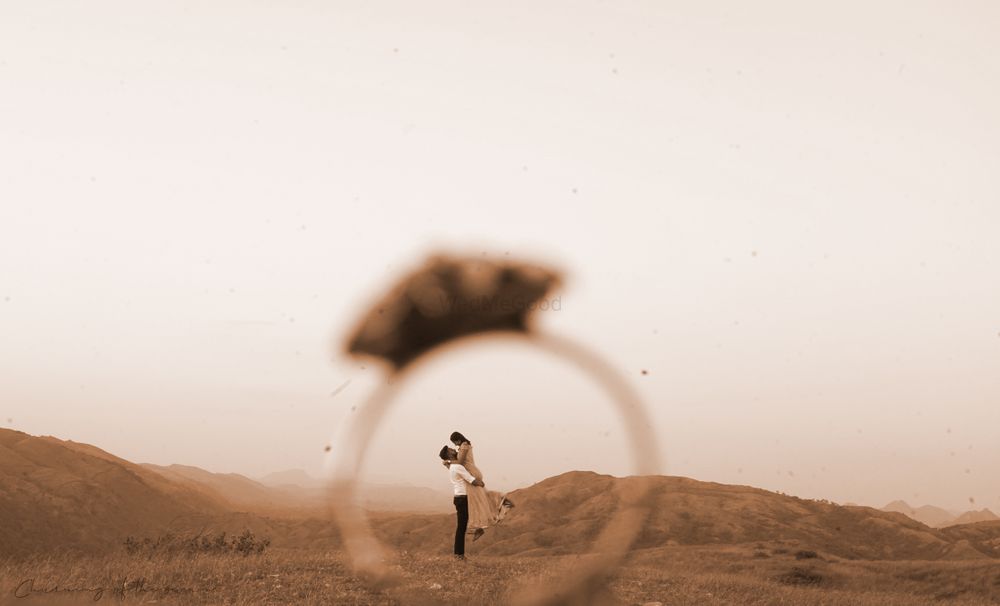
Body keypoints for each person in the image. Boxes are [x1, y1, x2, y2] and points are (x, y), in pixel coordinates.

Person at [449, 431, 514, 541]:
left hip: (472, 474)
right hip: (472, 473)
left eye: (455, 442)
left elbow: (460, 462)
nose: (455, 445)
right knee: (479, 498)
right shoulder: (464, 446)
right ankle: (480, 525)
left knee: (477, 501)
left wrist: (449, 462)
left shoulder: (464, 446)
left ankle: (500, 501)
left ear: (458, 440)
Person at [439, 445, 483, 560]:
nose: (453, 449)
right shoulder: (457, 466)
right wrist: (481, 483)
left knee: (462, 526)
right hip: (463, 498)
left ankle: (459, 554)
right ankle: (459, 555)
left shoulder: (453, 467)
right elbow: (471, 480)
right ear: (449, 454)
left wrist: (447, 463)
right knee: (461, 527)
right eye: (450, 449)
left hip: (460, 498)